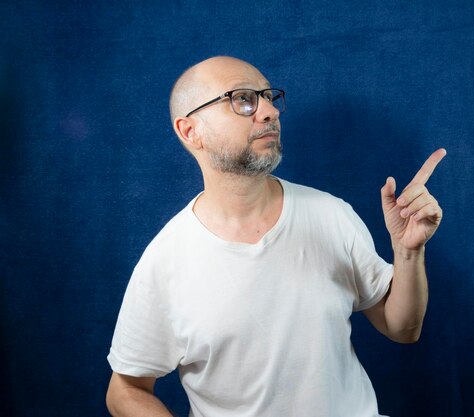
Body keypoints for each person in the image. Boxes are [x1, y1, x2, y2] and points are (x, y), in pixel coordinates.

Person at [105, 56, 446, 417]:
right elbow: (125, 390)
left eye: (268, 97)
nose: (269, 111)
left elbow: (402, 328)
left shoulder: (330, 214)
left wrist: (408, 252)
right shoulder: (166, 260)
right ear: (191, 131)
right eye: (243, 99)